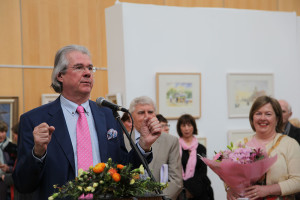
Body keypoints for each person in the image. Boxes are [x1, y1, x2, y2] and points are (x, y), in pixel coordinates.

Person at [12, 45, 161, 200]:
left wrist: (143, 145)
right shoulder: (34, 120)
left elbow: (123, 170)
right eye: (79, 67)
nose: (87, 73)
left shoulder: (109, 115)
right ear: (60, 75)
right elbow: (23, 184)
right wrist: (38, 153)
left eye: (90, 68)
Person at [226, 96, 300, 200]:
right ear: (252, 117)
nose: (262, 118)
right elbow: (228, 175)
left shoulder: (290, 144)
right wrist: (229, 189)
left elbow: (298, 181)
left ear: (277, 118)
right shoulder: (240, 144)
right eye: (258, 113)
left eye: (268, 114)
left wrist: (268, 190)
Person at [124, 96, 183, 200]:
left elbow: (176, 181)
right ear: (130, 117)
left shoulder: (170, 141)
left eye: (150, 112)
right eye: (141, 113)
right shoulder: (121, 140)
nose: (147, 117)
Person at [176, 114, 214, 200]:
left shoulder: (201, 148)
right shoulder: (175, 147)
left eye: (189, 125)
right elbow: (174, 170)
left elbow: (203, 172)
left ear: (193, 127)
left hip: (201, 191)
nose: (186, 128)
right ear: (179, 128)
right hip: (181, 192)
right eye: (183, 125)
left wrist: (191, 189)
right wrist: (185, 189)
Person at [2, 123, 33, 200]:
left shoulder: (25, 151)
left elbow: (22, 174)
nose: (14, 138)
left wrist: (6, 178)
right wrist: (9, 169)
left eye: (15, 135)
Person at [0, 121, 17, 200]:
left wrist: (8, 168)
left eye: (2, 132)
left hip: (7, 181)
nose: (0, 135)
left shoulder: (13, 147)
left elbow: (17, 167)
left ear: (6, 132)